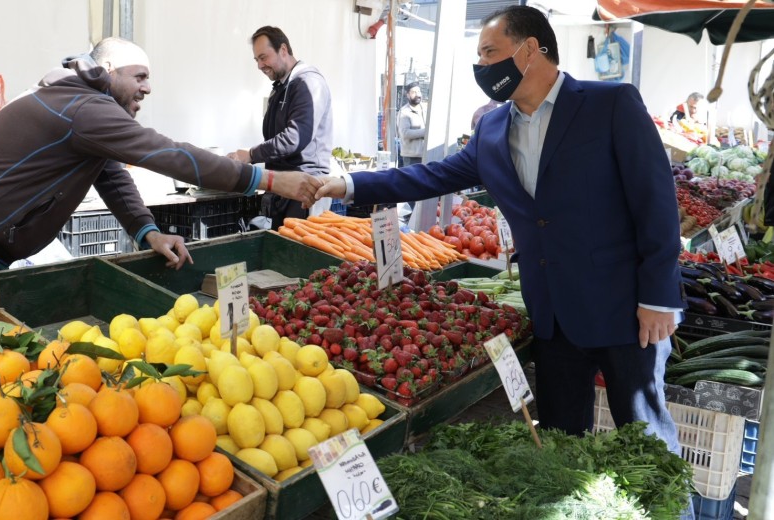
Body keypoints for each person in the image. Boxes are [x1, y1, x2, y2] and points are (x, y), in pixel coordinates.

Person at [315, 6, 684, 453]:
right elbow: (430, 176)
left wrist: (659, 297)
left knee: (647, 446)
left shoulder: (610, 104)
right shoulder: (491, 128)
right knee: (560, 443)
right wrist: (349, 183)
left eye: (489, 52)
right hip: (551, 315)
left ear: (530, 50)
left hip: (625, 310)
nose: (482, 67)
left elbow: (656, 201)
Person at [0, 37, 322, 270]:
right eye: (141, 76)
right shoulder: (86, 108)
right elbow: (167, 152)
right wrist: (264, 178)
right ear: (110, 70)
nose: (148, 89)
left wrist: (145, 230)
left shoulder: (80, 105)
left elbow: (111, 174)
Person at [227, 26, 333, 230]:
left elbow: (295, 137)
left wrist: (251, 154)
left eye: (263, 57)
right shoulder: (282, 87)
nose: (260, 65)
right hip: (285, 187)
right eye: (256, 60)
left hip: (306, 188)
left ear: (283, 50)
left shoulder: (308, 83)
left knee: (300, 255)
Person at [396, 83, 426, 167]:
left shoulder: (425, 109)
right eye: (414, 92)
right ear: (408, 95)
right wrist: (426, 132)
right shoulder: (404, 112)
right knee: (412, 180)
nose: (418, 95)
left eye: (419, 91)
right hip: (412, 157)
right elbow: (405, 133)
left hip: (426, 154)